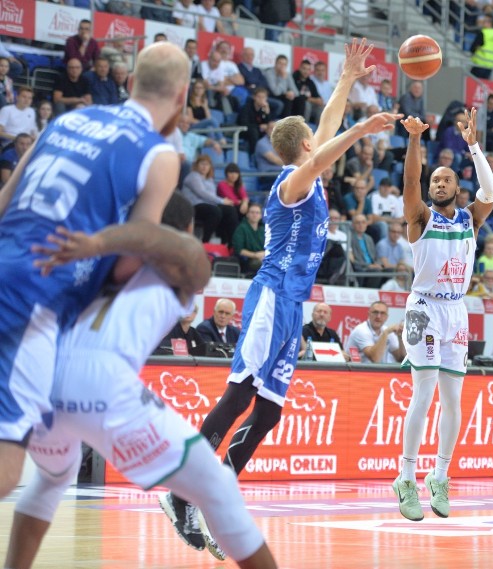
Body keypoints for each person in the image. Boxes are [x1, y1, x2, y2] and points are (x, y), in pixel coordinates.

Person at [159, 39, 401, 545]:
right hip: (270, 297)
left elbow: (326, 131)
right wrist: (361, 128)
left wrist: (346, 81)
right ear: (306, 146)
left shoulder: (309, 168)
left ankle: (219, 486)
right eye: (318, 138)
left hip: (293, 304)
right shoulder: (292, 181)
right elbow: (323, 152)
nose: (323, 140)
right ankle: (182, 491)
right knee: (240, 392)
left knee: (269, 409)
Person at [6, 195, 277, 568]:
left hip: (40, 381)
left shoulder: (88, 252)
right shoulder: (179, 268)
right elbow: (196, 267)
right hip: (99, 384)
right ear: (184, 232)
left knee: (53, 478)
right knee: (218, 487)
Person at [0, 42, 189, 500]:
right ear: (183, 97)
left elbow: (6, 202)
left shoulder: (64, 120)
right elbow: (128, 259)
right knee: (7, 466)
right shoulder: (159, 155)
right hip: (32, 295)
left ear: (128, 83)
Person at [391, 107, 493, 522]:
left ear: (456, 186)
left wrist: (473, 146)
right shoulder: (420, 217)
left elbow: (489, 191)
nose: (437, 183)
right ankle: (406, 477)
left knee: (453, 400)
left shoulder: (471, 218)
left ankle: (440, 476)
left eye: (445, 179)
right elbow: (409, 180)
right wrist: (415, 139)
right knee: (425, 391)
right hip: (423, 307)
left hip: (456, 311)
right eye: (434, 180)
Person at [232, 202, 265, 276]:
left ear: (261, 216)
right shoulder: (241, 228)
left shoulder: (264, 229)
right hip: (247, 260)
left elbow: (271, 246)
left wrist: (263, 254)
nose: (255, 215)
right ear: (247, 214)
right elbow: (239, 250)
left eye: (257, 213)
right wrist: (255, 255)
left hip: (263, 257)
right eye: (252, 212)